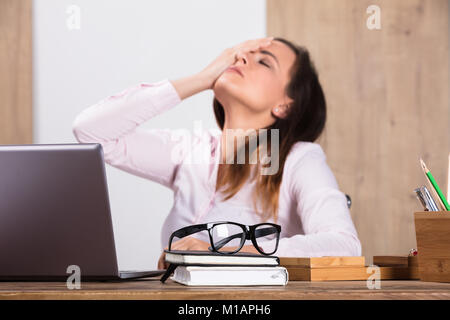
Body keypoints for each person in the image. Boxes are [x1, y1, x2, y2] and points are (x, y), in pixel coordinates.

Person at [72, 37, 362, 270]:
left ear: (285, 105)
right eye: (241, 53)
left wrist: (219, 252)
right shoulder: (192, 150)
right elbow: (91, 131)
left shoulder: (299, 159)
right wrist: (201, 78)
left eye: (263, 62)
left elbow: (344, 247)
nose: (241, 57)